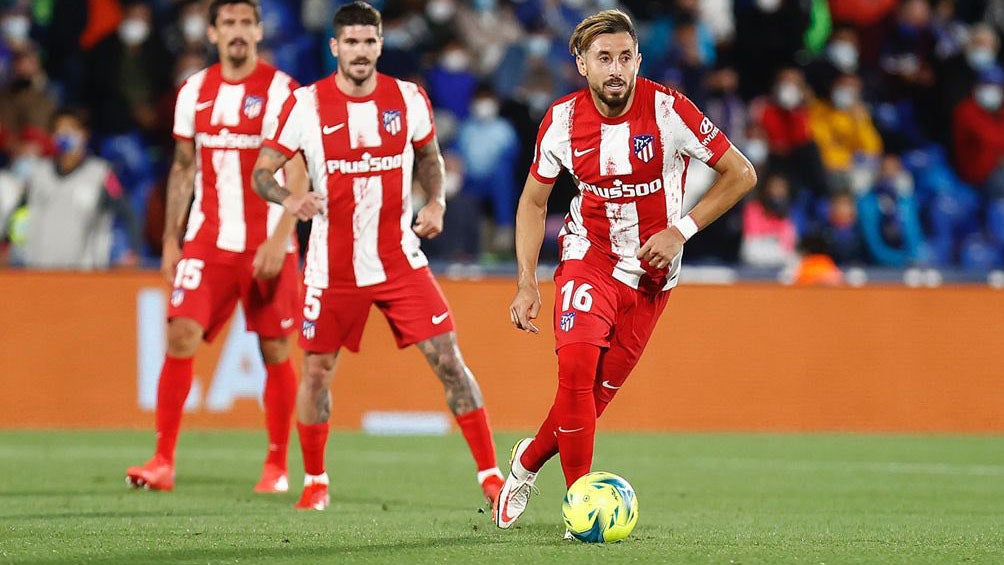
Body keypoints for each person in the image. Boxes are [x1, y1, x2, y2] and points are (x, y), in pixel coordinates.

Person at [493, 10, 756, 533]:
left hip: (654, 277)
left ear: (638, 59)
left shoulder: (669, 110)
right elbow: (532, 202)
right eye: (603, 58)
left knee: (589, 401)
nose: (616, 69)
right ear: (581, 63)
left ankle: (525, 462)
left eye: (625, 57)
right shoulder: (562, 122)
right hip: (589, 259)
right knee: (574, 373)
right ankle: (580, 508)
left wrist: (680, 229)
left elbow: (741, 174)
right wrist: (527, 282)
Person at [251, 1, 503, 511]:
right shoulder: (306, 105)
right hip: (332, 268)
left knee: (449, 361)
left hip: (399, 260)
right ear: (335, 47)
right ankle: (316, 481)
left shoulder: (408, 98)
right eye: (352, 42)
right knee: (317, 373)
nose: (361, 51)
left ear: (380, 44)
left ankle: (493, 477)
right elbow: (262, 171)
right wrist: (290, 199)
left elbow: (430, 156)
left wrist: (436, 200)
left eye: (370, 42)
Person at [126, 0, 307, 494]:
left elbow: (297, 168)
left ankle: (276, 466)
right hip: (209, 241)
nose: (238, 31)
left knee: (275, 350)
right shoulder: (193, 92)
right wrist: (170, 240)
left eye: (247, 22)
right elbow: (184, 167)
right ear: (212, 32)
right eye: (229, 23)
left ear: (259, 30)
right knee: (180, 335)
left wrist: (279, 236)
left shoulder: (280, 90)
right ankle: (162, 461)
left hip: (268, 243)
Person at [20, 108, 140, 269]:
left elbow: (128, 213)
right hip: (37, 271)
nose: (65, 136)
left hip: (82, 276)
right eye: (60, 130)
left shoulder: (102, 175)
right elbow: (18, 213)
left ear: (84, 134)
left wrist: (133, 251)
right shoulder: (38, 174)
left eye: (71, 129)